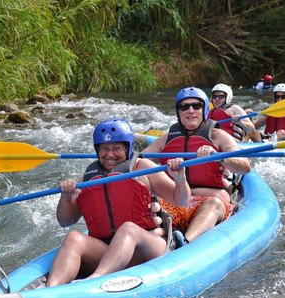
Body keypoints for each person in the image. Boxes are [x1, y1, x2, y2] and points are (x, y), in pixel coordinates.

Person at [46, 119, 191, 287]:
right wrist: (65, 197)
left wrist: (180, 180)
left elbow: (182, 200)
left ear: (127, 148)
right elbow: (65, 222)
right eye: (104, 149)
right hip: (108, 252)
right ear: (97, 150)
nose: (110, 154)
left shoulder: (142, 167)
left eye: (116, 148)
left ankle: (95, 280)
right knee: (74, 238)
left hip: (147, 248)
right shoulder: (89, 177)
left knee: (128, 228)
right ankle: (49, 291)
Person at [142, 87, 251, 245]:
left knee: (214, 203)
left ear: (205, 109)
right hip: (175, 201)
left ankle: (185, 242)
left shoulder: (217, 136)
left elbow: (244, 166)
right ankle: (156, 238)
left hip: (210, 200)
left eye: (196, 106)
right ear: (178, 112)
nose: (190, 110)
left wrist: (219, 158)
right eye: (184, 107)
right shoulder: (167, 139)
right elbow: (138, 164)